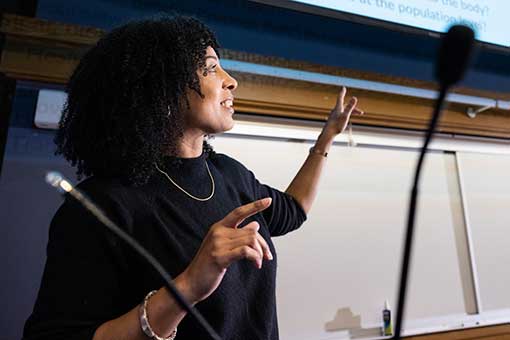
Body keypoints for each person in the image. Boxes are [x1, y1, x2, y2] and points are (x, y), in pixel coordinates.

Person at [23, 15, 362, 340]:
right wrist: (187, 287)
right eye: (211, 68)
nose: (231, 80)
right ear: (162, 90)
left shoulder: (229, 174)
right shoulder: (102, 205)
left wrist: (326, 138)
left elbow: (293, 209)